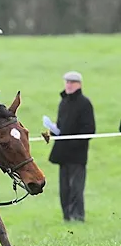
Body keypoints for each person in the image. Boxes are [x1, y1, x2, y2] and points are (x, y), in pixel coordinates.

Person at [46, 71, 95, 222]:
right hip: (63, 154)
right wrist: (53, 131)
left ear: (78, 84)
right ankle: (67, 217)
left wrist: (72, 142)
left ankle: (78, 217)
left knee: (76, 188)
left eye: (71, 82)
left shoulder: (85, 103)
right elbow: (61, 127)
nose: (68, 85)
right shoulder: (64, 102)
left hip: (77, 155)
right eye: (66, 82)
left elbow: (89, 129)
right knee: (64, 189)